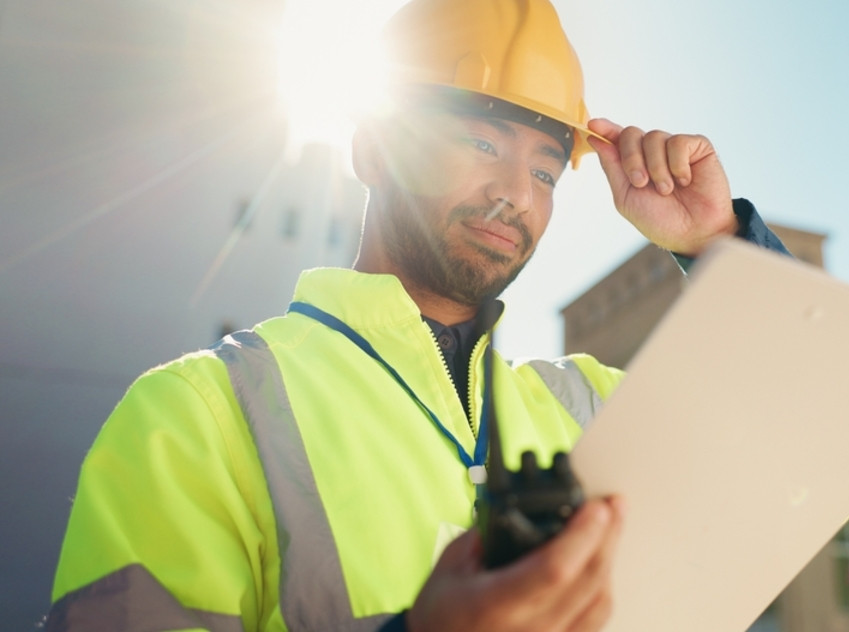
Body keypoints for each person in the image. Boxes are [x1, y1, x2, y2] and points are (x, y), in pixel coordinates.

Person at [47, 0, 788, 630]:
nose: (516, 194)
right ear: (374, 150)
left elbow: (797, 425)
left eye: (544, 169)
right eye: (480, 141)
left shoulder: (588, 406)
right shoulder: (200, 414)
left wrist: (717, 243)